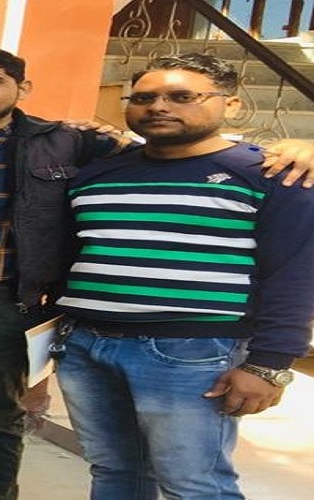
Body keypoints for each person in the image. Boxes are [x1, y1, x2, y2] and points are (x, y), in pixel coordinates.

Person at [0, 47, 314, 500]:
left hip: (13, 309)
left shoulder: (70, 143)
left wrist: (304, 148)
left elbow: (291, 269)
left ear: (22, 88)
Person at [53, 53, 314, 499]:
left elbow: (295, 274)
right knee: (114, 471)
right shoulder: (95, 174)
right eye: (144, 98)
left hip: (191, 351)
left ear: (231, 104)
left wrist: (269, 364)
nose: (158, 106)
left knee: (194, 484)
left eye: (182, 97)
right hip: (84, 344)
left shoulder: (271, 175)